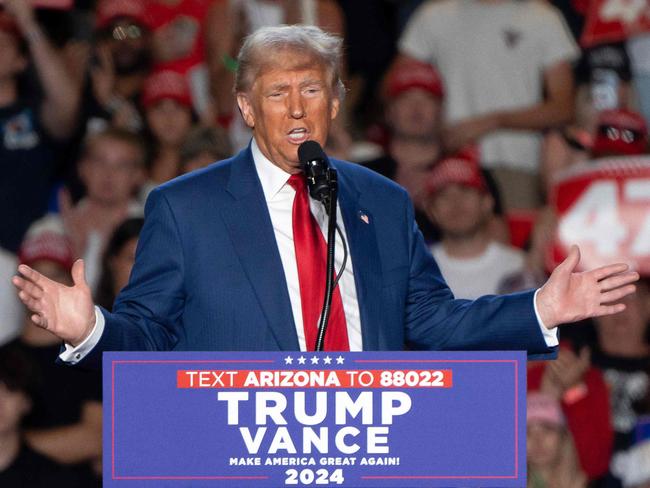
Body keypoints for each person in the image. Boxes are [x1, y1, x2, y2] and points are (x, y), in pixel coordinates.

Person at [12, 25, 639, 370]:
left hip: (371, 450)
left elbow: (429, 322)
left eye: (311, 90)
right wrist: (91, 327)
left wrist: (539, 311)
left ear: (335, 105)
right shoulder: (184, 206)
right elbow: (148, 333)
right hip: (241, 456)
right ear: (245, 108)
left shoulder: (384, 201)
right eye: (276, 92)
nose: (295, 108)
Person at [396, 0, 580, 210]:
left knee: (513, 240)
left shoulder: (543, 17)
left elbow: (564, 108)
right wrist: (417, 153)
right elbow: (395, 90)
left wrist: (492, 122)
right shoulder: (434, 15)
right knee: (449, 242)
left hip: (515, 165)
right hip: (447, 165)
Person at [0, 1, 80, 255]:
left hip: (31, 260)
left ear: (21, 61)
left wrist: (27, 22)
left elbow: (67, 104)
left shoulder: (34, 114)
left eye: (1, 45)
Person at [424, 152, 527, 299]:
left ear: (487, 202)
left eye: (465, 190)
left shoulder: (518, 266)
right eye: (443, 195)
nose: (455, 202)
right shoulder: (419, 269)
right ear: (431, 210)